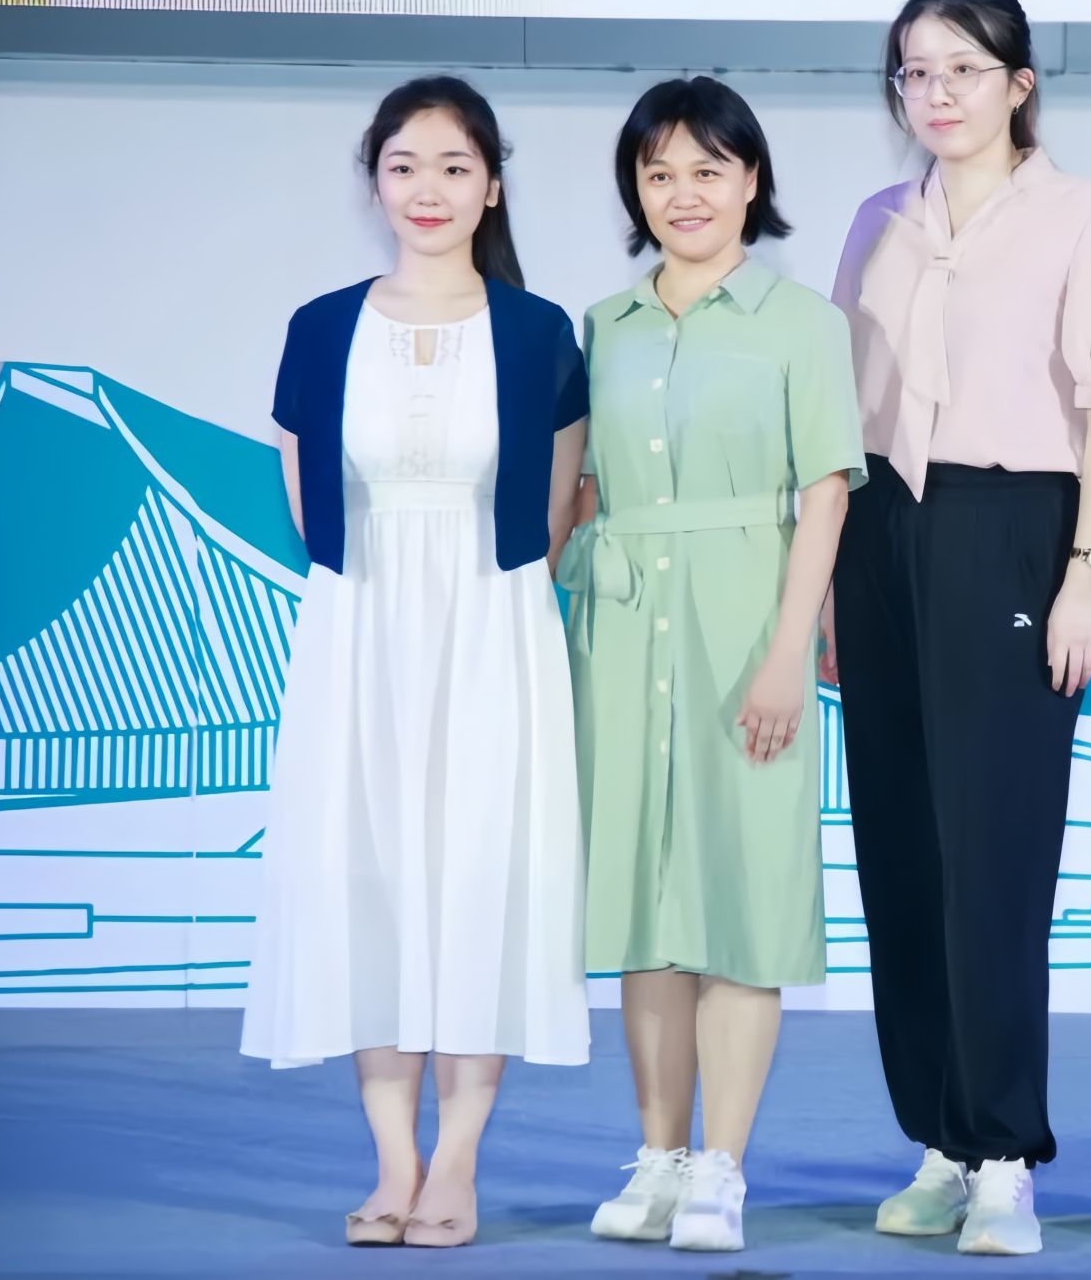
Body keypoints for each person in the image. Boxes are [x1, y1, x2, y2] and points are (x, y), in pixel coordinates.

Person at [239, 75, 592, 1249]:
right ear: (374, 182)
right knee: (373, 882)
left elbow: (551, 510)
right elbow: (309, 504)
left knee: (481, 879)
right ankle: (392, 1162)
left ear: (490, 187)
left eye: (453, 166)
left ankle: (456, 1164)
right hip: (361, 629)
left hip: (494, 627)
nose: (427, 189)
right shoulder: (319, 327)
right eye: (403, 166)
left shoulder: (539, 333)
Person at [828, 0, 1091, 1257]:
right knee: (901, 854)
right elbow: (841, 415)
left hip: (1013, 529)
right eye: (914, 71)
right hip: (879, 532)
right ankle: (940, 1138)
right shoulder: (875, 221)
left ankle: (1005, 1152)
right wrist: (828, 583)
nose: (936, 92)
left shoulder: (1081, 217)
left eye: (962, 68)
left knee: (996, 861)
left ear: (1018, 83)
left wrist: (1086, 572)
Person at [563, 76, 865, 1254]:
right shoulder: (602, 326)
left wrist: (790, 651)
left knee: (739, 901)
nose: (681, 194)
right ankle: (657, 1157)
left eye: (706, 169)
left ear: (750, 181)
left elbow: (825, 494)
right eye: (658, 173)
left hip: (748, 632)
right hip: (618, 633)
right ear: (633, 190)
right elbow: (579, 491)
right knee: (643, 907)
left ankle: (721, 1169)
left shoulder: (802, 324)